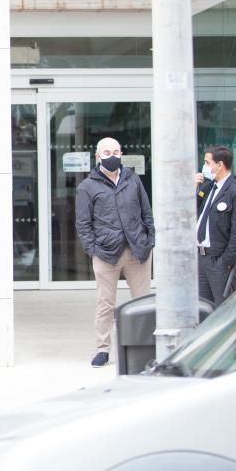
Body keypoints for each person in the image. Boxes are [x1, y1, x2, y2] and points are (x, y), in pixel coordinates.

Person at [75, 138, 155, 368]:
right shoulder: (87, 187)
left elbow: (146, 211)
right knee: (105, 304)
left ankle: (146, 347)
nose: (112, 155)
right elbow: (83, 224)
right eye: (107, 152)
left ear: (121, 153)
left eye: (116, 151)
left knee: (143, 303)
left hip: (137, 250)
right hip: (106, 253)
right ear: (98, 156)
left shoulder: (133, 179)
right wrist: (93, 250)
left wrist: (150, 240)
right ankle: (102, 349)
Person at [195, 145, 236, 307]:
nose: (204, 167)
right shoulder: (207, 188)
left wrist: (225, 261)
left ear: (219, 165)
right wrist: (193, 189)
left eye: (207, 162)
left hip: (219, 260)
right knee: (203, 310)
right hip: (202, 259)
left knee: (224, 310)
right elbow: (189, 212)